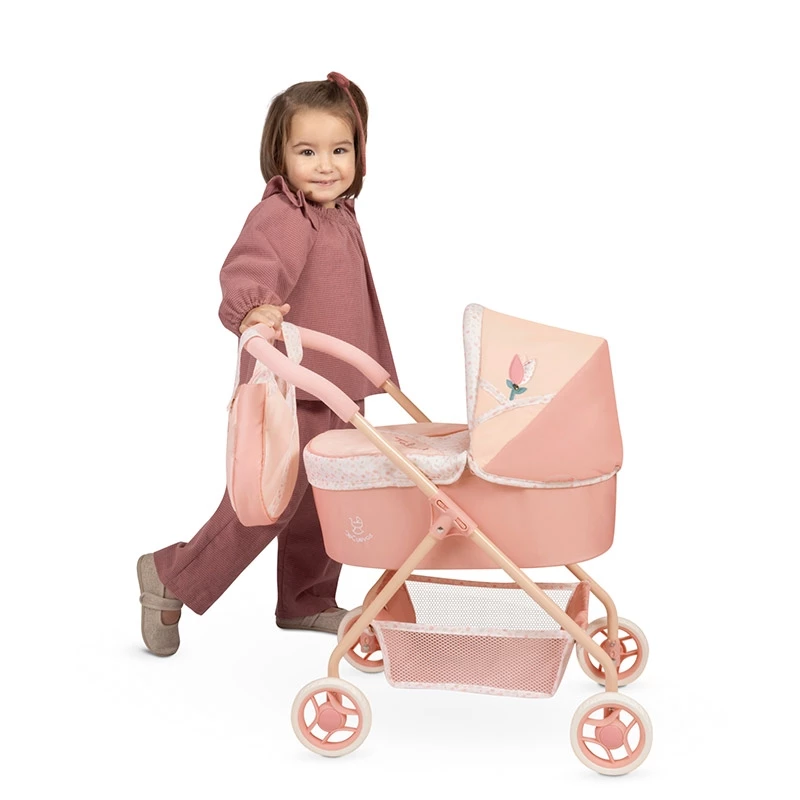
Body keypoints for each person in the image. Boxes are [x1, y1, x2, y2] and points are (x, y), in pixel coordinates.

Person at [136, 71, 399, 657]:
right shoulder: (284, 214)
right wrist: (252, 308)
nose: (326, 165)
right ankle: (172, 573)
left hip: (340, 386)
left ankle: (306, 598)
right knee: (267, 503)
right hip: (289, 388)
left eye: (340, 150)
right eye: (307, 152)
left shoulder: (339, 213)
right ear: (279, 155)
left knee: (329, 500)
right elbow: (249, 267)